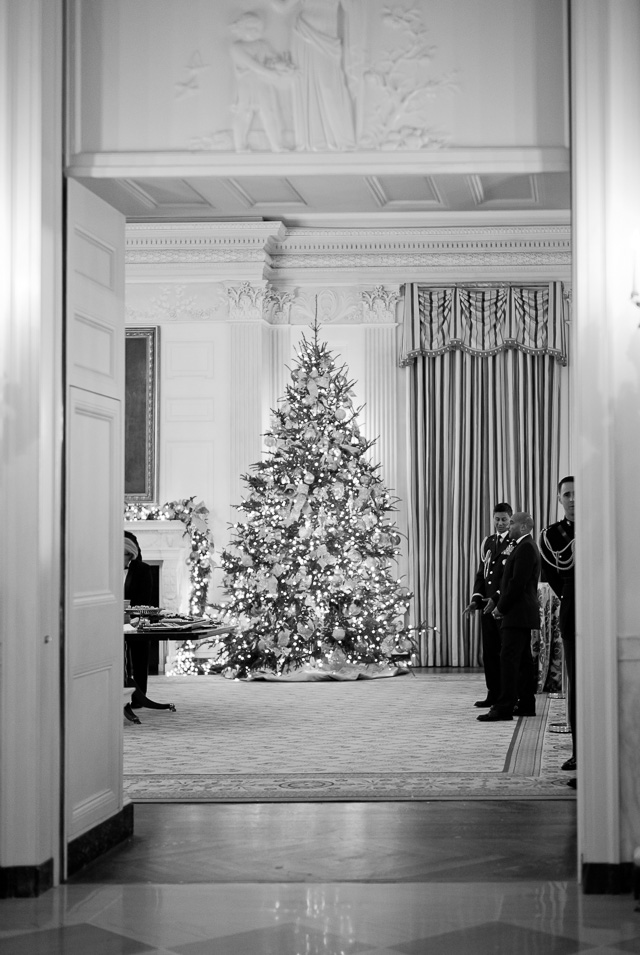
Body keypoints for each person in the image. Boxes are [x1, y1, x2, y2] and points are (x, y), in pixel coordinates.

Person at [477, 512, 540, 722]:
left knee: (508, 659)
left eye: (512, 523)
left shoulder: (525, 548)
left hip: (517, 612)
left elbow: (516, 585)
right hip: (519, 612)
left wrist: (500, 608)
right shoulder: (522, 546)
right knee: (521, 661)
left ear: (523, 527)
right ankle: (526, 703)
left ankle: (504, 707)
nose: (508, 526)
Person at [539, 476, 576, 779]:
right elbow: (554, 576)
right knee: (577, 684)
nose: (573, 499)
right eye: (567, 495)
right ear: (559, 499)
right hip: (574, 607)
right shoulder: (552, 535)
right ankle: (579, 750)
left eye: (578, 494)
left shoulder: (603, 524)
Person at [464, 502, 513, 708]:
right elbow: (481, 574)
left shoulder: (513, 542)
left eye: (504, 519)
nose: (500, 523)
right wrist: (476, 599)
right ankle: (493, 693)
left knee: (506, 653)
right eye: (497, 519)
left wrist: (498, 599)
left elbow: (509, 577)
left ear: (510, 519)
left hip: (503, 606)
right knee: (490, 652)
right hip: (486, 606)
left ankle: (507, 695)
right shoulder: (488, 542)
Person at [124, 531, 154, 705]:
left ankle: (140, 695)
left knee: (140, 654)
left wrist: (130, 615)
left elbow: (145, 599)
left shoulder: (143, 570)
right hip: (113, 620)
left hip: (136, 619)